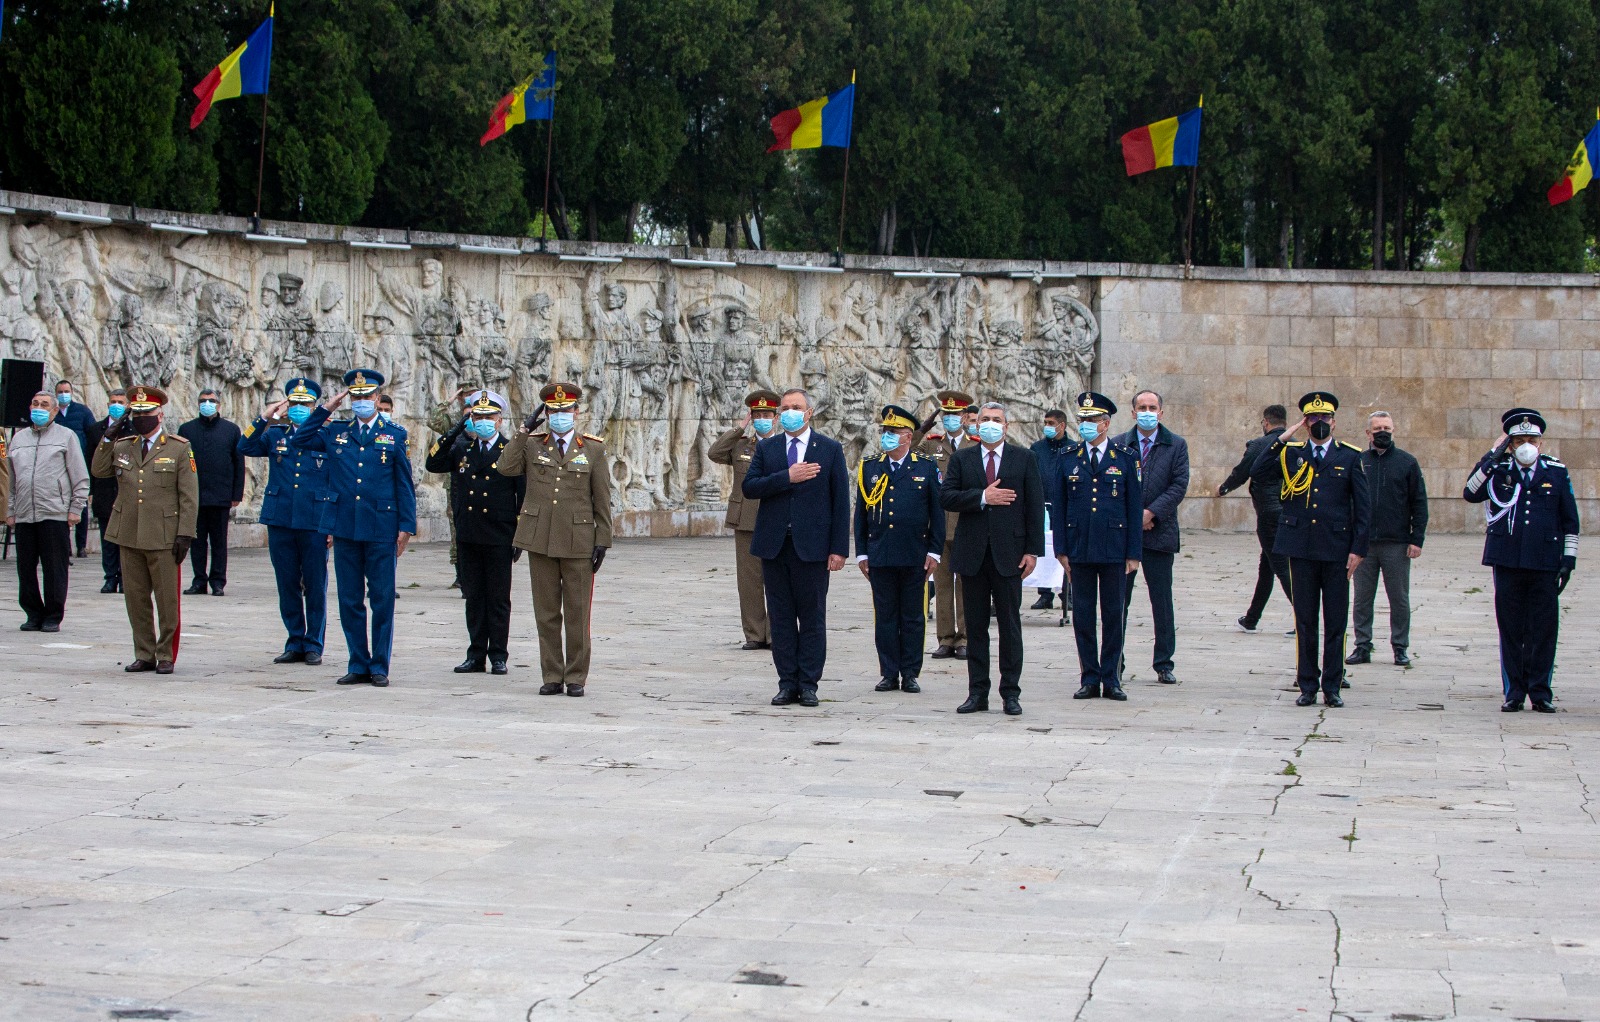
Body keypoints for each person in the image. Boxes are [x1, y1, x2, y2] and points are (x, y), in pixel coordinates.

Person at [290, 369, 417, 688]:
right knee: (349, 599)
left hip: (381, 526)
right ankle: (357, 662)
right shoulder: (337, 433)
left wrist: (406, 526)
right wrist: (326, 408)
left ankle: (379, 665)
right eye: (355, 396)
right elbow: (300, 439)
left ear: (377, 398)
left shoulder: (394, 434)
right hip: (345, 525)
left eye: (367, 396)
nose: (361, 401)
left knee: (382, 598)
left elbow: (403, 483)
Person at [1253, 392, 1370, 707]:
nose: (1320, 423)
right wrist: (1284, 436)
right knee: (1305, 620)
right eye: (1313, 418)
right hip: (1301, 548)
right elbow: (1259, 469)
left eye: (1325, 418)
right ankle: (1307, 684)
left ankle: (1332, 686)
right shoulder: (1291, 453)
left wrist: (1358, 549)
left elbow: (1363, 507)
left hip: (1336, 549)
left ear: (1334, 421)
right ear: (1305, 422)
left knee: (1336, 621)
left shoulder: (1349, 456)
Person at [496, 382, 613, 695]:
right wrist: (523, 431)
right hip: (540, 539)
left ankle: (575, 677)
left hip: (578, 540)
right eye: (553, 410)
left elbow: (601, 498)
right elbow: (505, 467)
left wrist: (603, 539)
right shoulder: (533, 444)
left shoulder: (593, 448)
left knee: (577, 613)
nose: (559, 415)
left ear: (576, 412)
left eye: (565, 410)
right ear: (545, 413)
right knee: (546, 613)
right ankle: (551, 674)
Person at [1463, 408, 1579, 713]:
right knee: (1511, 628)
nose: (1526, 444)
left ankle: (1540, 691)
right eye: (1519, 439)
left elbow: (1570, 519)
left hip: (1544, 562)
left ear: (1540, 442)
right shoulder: (1499, 470)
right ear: (1510, 443)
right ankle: (1514, 691)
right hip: (1508, 561)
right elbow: (1470, 491)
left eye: (1531, 438)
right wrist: (1493, 454)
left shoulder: (1555, 471)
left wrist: (1569, 560)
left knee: (1544, 630)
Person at [742, 387, 849, 707]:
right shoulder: (770, 448)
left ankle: (809, 682)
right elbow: (751, 487)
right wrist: (787, 476)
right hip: (775, 545)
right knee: (781, 617)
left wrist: (839, 549)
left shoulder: (828, 449)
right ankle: (787, 682)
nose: (790, 412)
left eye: (796, 407)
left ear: (809, 412)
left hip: (813, 547)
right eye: (785, 407)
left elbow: (840, 502)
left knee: (812, 616)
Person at [940, 401, 1045, 716]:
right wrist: (983, 497)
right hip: (972, 553)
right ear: (975, 424)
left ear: (1006, 426)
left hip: (1009, 555)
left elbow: (1034, 506)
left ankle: (1010, 693)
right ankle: (977, 692)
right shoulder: (962, 458)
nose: (989, 424)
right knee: (975, 627)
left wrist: (1032, 551)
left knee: (1010, 627)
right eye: (984, 419)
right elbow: (947, 496)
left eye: (996, 420)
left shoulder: (1024, 459)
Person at [90, 386, 199, 674]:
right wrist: (108, 436)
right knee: (136, 599)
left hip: (164, 534)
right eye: (136, 413)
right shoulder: (124, 445)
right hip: (129, 532)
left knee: (166, 601)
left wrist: (185, 532)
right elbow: (99, 470)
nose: (141, 418)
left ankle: (165, 654)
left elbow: (189, 495)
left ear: (160, 414)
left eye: (147, 413)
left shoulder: (178, 447)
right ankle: (144, 653)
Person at [426, 390, 524, 675]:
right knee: (474, 597)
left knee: (497, 598)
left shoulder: (510, 450)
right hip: (468, 534)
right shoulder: (461, 449)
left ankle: (498, 655)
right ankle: (475, 653)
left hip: (499, 535)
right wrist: (457, 428)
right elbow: (433, 463)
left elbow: (522, 495)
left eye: (488, 417)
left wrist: (519, 536)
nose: (482, 421)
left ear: (499, 419)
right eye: (477, 416)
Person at [1056, 392, 1142, 701]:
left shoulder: (1126, 457)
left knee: (1113, 614)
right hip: (1079, 548)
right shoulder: (1068, 458)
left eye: (1091, 421)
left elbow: (1134, 508)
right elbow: (1061, 507)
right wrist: (1061, 551)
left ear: (1105, 424)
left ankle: (1112, 677)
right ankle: (1089, 677)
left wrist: (1134, 553)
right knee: (1082, 614)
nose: (1085, 425)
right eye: (1082, 420)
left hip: (1113, 548)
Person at [239, 378, 331, 665]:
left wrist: (331, 524)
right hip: (280, 518)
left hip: (314, 520)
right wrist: (266, 417)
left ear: (315, 407)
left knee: (315, 584)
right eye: (294, 404)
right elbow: (245, 444)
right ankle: (295, 639)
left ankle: (314, 643)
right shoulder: (275, 434)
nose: (298, 409)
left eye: (305, 404)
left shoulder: (325, 436)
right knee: (287, 582)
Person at [855, 404, 944, 694]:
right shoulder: (870, 466)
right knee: (885, 617)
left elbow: (937, 513)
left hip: (914, 554)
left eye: (894, 432)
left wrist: (934, 551)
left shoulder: (925, 467)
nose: (888, 436)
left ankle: (910, 672)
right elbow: (861, 516)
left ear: (908, 436)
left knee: (913, 617)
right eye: (886, 431)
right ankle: (888, 672)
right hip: (881, 554)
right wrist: (862, 552)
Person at [1113, 390, 1190, 685]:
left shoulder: (1176, 445)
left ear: (1161, 411)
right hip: (1125, 536)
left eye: (1152, 407)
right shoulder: (1120, 444)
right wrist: (1135, 517)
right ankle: (1115, 659)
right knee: (1119, 599)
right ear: (1132, 412)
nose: (1147, 411)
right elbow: (1114, 485)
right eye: (1142, 407)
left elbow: (1179, 485)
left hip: (1161, 531)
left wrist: (1151, 513)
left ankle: (1164, 662)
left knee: (1162, 600)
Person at [1346, 411, 1429, 668]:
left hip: (1396, 543)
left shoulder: (1407, 462)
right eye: (1378, 428)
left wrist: (1417, 539)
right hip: (1364, 545)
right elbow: (1347, 502)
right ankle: (1362, 645)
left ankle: (1400, 647)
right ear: (1368, 433)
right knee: (1361, 598)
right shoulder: (1357, 461)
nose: (1383, 432)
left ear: (1393, 431)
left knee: (1399, 598)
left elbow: (1419, 502)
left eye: (1387, 428)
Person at [7, 391, 90, 631]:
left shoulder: (66, 437)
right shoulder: (19, 439)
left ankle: (53, 615)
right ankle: (33, 613)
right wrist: (11, 510)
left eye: (44, 405)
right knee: (25, 568)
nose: (38, 408)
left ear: (54, 411)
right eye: (35, 404)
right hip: (24, 513)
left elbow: (80, 476)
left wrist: (76, 508)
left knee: (55, 568)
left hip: (54, 512)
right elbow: (12, 480)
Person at [708, 390, 780, 650]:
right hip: (746, 518)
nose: (762, 419)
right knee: (749, 581)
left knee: (775, 578)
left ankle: (775, 634)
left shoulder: (783, 445)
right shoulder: (742, 445)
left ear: (775, 418)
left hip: (775, 518)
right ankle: (754, 633)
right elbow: (715, 453)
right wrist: (739, 429)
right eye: (757, 415)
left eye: (766, 415)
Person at [1218, 404, 1292, 633]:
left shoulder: (1260, 444)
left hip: (1269, 513)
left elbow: (1242, 471)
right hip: (1286, 512)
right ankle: (1251, 618)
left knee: (1280, 566)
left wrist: (1224, 488)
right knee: (1267, 566)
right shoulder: (1296, 444)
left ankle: (1305, 617)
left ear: (1266, 422)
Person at [916, 390, 974, 659]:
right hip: (938, 524)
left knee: (965, 586)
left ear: (964, 417)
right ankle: (945, 638)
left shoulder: (974, 445)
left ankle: (964, 638)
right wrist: (923, 426)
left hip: (965, 524)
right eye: (946, 415)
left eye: (955, 415)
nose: (950, 419)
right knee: (942, 586)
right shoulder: (931, 444)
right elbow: (906, 450)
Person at [177, 389, 245, 596]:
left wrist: (236, 494)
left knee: (219, 541)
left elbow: (238, 463)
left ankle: (218, 581)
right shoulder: (187, 430)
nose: (207, 404)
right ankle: (199, 580)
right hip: (194, 495)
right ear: (197, 404)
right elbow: (180, 463)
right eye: (203, 401)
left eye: (212, 400)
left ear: (219, 404)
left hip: (220, 494)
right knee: (196, 541)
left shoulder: (231, 430)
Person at [1028, 408, 1072, 614]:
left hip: (1065, 506)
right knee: (1043, 548)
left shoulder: (1073, 448)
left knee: (1064, 548)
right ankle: (1045, 594)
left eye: (1051, 423)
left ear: (1061, 426)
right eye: (1045, 422)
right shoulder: (1037, 448)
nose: (1047, 426)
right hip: (1042, 505)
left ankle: (1067, 593)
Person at [85, 390, 127, 593]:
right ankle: (110, 577)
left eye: (120, 402)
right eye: (113, 402)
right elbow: (89, 462)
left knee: (125, 538)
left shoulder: (133, 429)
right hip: (103, 489)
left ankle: (124, 576)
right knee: (107, 537)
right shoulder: (95, 430)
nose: (116, 405)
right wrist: (90, 490)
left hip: (125, 490)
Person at [53, 379, 96, 558]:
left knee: (81, 504)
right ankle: (65, 546)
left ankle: (81, 545)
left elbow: (92, 434)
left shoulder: (82, 411)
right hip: (57, 465)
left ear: (71, 392)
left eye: (66, 391)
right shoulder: (53, 413)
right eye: (60, 391)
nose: (64, 394)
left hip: (80, 462)